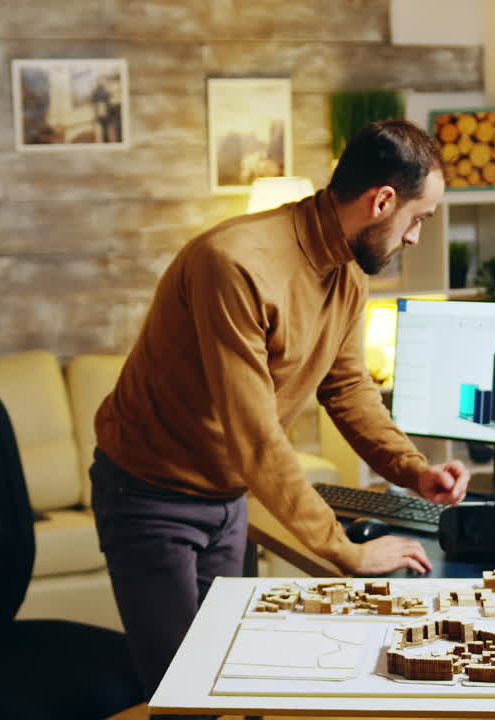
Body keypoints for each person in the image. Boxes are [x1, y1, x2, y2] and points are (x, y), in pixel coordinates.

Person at [90, 119, 472, 702]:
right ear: (383, 201)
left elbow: (347, 387)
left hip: (226, 499)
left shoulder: (347, 272)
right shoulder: (234, 264)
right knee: (184, 699)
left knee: (232, 685)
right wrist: (346, 551)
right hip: (150, 498)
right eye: (418, 218)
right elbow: (255, 437)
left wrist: (411, 469)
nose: (416, 236)